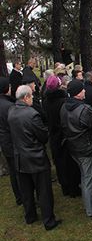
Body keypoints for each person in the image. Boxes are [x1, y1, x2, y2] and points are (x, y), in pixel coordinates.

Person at [8, 85, 61, 230]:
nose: (32, 98)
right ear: (25, 97)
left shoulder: (11, 111)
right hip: (35, 157)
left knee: (26, 190)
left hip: (20, 157)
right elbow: (43, 136)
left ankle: (30, 216)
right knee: (43, 191)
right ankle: (48, 220)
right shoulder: (32, 114)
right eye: (31, 96)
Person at [60, 80, 92, 218]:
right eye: (82, 90)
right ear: (76, 93)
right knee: (88, 179)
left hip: (73, 146)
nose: (85, 91)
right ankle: (91, 210)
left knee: (84, 175)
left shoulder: (64, 107)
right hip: (86, 148)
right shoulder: (84, 110)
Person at [43, 75, 81, 197]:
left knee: (59, 162)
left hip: (54, 135)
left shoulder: (45, 101)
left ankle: (65, 187)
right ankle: (73, 188)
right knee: (69, 164)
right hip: (64, 135)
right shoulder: (63, 101)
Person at [0, 77, 21, 205]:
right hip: (11, 141)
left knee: (13, 171)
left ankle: (19, 196)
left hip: (5, 142)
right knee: (17, 172)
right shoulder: (8, 106)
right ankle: (23, 196)